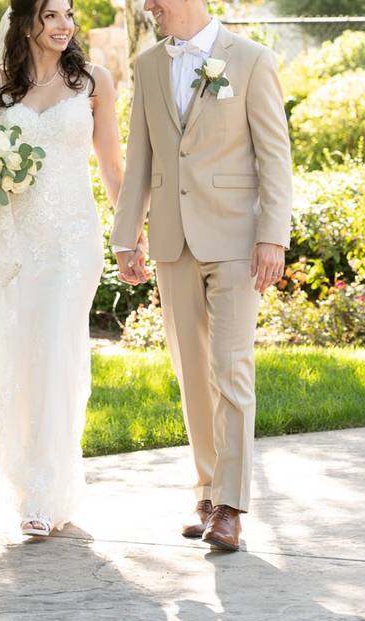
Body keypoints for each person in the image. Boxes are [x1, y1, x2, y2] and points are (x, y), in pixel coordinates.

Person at [0, 0, 135, 537]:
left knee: (57, 354)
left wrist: (130, 235)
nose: (64, 25)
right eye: (52, 14)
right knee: (18, 355)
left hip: (71, 241)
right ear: (26, 21)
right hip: (14, 239)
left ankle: (46, 492)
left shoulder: (93, 81)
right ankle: (26, 483)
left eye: (69, 14)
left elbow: (111, 163)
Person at [111, 0, 293, 551]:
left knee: (232, 370)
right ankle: (207, 493)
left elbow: (274, 156)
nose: (148, 6)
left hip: (237, 240)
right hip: (172, 239)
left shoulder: (253, 59)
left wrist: (273, 236)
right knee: (193, 372)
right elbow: (138, 156)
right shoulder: (147, 66)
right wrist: (126, 237)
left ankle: (232, 508)